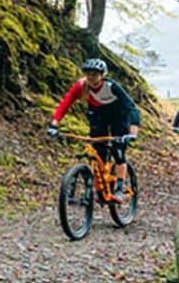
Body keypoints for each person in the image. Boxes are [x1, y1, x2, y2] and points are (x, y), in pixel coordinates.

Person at [47, 58, 142, 202]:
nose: (91, 77)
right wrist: (54, 124)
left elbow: (132, 108)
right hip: (98, 115)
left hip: (118, 115)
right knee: (99, 150)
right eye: (88, 73)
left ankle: (120, 188)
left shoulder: (111, 86)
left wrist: (132, 132)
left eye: (95, 74)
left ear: (102, 75)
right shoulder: (81, 86)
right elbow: (65, 103)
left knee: (118, 150)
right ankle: (103, 186)